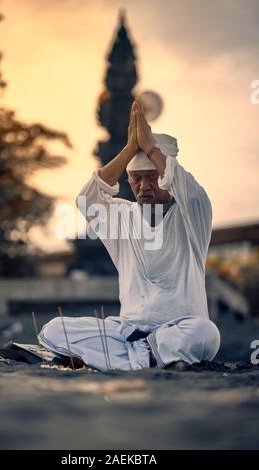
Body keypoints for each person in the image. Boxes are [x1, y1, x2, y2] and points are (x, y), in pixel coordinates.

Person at [38, 98, 220, 371]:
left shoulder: (191, 215)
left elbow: (189, 191)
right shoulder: (121, 216)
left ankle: (121, 359)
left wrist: (150, 148)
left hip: (180, 329)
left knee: (206, 335)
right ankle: (144, 358)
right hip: (126, 331)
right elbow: (87, 200)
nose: (144, 186)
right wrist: (129, 149)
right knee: (55, 328)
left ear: (166, 175)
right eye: (136, 178)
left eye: (153, 177)